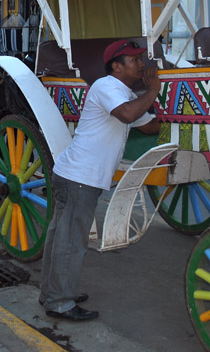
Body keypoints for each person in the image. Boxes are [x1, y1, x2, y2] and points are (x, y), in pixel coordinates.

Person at [39, 39, 161, 321]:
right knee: (71, 241)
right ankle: (60, 302)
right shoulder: (107, 87)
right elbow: (128, 114)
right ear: (116, 66)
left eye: (140, 58)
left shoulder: (124, 93)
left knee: (60, 237)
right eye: (134, 60)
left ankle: (52, 292)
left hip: (77, 176)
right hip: (79, 178)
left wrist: (172, 112)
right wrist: (154, 90)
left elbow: (148, 125)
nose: (141, 64)